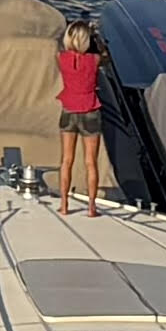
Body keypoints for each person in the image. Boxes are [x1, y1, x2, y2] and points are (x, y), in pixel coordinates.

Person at [56, 18, 104, 216]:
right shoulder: (95, 60)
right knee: (90, 162)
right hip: (90, 110)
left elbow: (66, 51)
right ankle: (91, 207)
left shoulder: (61, 58)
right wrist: (94, 36)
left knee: (66, 160)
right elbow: (101, 51)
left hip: (69, 109)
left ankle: (64, 204)